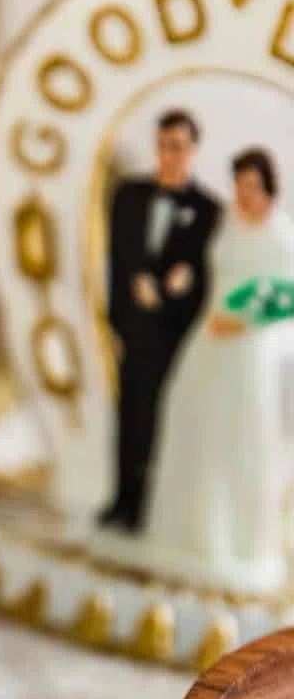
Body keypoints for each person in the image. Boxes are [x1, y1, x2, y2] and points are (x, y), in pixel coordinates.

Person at [142, 146, 294, 591]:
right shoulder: (223, 223)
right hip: (208, 336)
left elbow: (287, 297)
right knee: (193, 422)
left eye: (254, 186)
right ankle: (188, 534)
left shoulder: (280, 236)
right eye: (240, 185)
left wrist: (245, 321)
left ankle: (237, 538)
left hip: (247, 349)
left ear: (268, 188)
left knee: (239, 433)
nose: (246, 194)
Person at [99, 109, 222, 530]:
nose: (170, 155)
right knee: (130, 416)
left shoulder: (209, 210)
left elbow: (211, 274)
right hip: (135, 328)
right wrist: (124, 304)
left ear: (194, 150)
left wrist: (184, 283)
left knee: (172, 422)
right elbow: (116, 258)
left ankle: (161, 507)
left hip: (178, 335)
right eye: (164, 146)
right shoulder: (129, 195)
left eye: (179, 147)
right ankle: (124, 501)